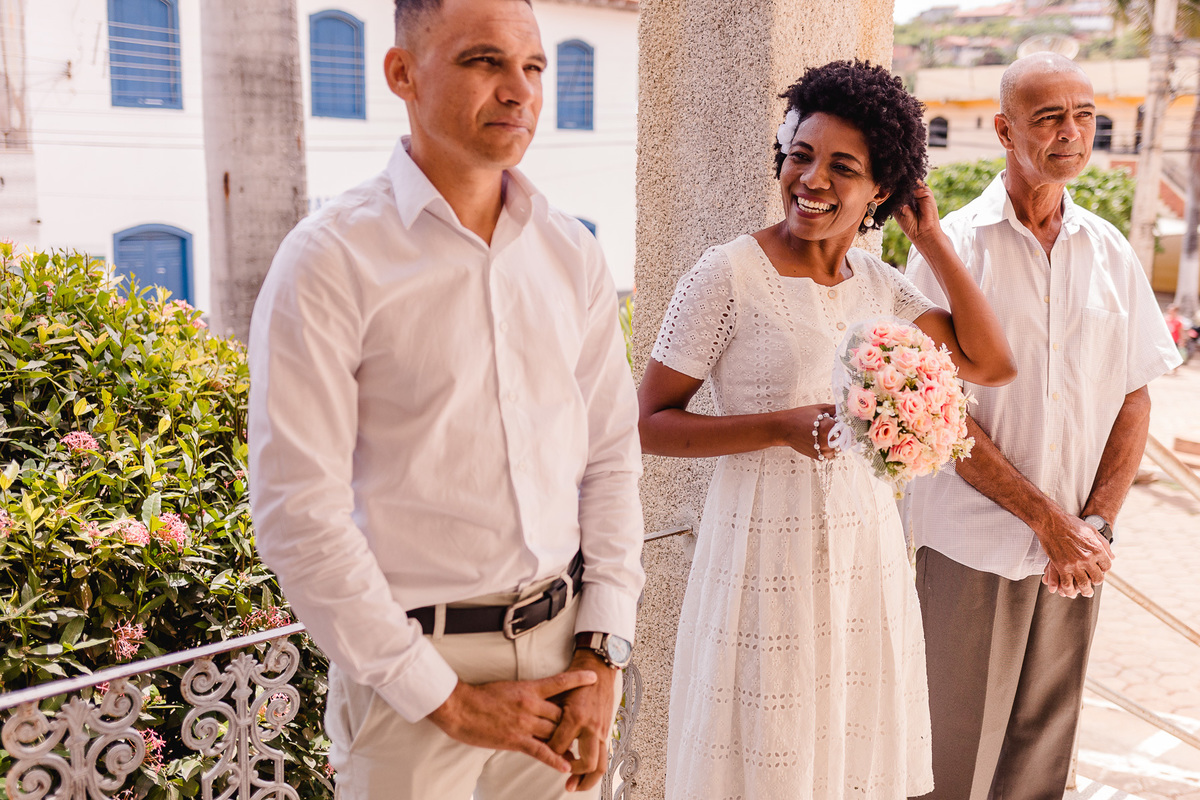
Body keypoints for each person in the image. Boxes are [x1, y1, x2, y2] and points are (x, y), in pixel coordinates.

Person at [247, 1, 645, 798]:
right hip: (413, 696)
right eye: (482, 62)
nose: (519, 90)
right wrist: (445, 701)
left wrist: (603, 651)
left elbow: (609, 458)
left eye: (532, 67)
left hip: (566, 668)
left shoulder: (572, 253)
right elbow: (299, 512)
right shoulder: (329, 261)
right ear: (402, 73)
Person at [638, 60, 1017, 799]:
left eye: (842, 167)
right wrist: (778, 428)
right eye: (800, 155)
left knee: (843, 749)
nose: (810, 180)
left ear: (881, 190)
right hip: (759, 553)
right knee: (763, 748)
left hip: (861, 553)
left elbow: (990, 362)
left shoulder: (880, 284)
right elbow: (649, 423)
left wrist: (931, 237)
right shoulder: (727, 274)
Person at [903, 53, 1182, 800]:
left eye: (1085, 114)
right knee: (947, 771)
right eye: (1049, 116)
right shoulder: (950, 247)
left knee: (1039, 772)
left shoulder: (1111, 251)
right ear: (1002, 129)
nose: (1073, 131)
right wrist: (1048, 521)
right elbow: (940, 413)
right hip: (971, 550)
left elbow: (1134, 397)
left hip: (1076, 560)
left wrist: (1094, 526)